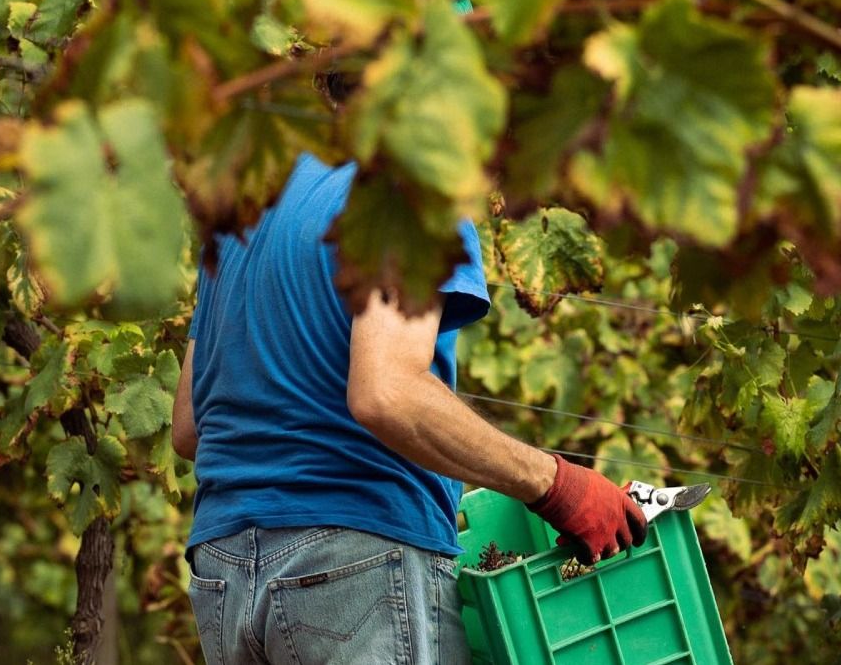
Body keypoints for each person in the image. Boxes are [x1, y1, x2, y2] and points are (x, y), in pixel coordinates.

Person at [171, 151, 648, 665]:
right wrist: (557, 485)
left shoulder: (249, 198)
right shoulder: (413, 189)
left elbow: (190, 425)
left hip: (225, 571)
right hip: (354, 558)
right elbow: (387, 392)